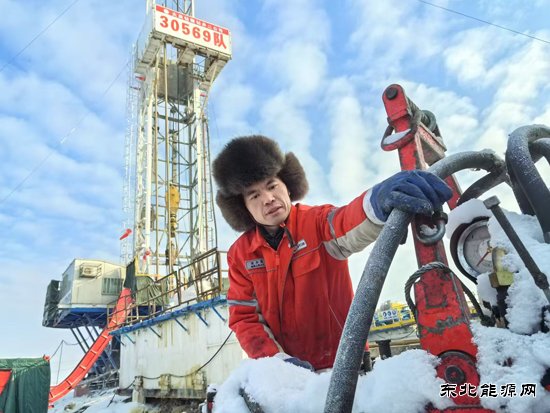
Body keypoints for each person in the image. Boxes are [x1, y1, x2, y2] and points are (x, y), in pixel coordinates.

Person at [212, 135, 452, 371]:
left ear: (287, 186)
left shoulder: (317, 222)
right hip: (288, 376)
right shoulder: (240, 255)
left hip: (345, 368)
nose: (268, 199)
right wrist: (278, 363)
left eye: (272, 186)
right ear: (243, 208)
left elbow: (348, 220)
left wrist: (377, 201)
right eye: (254, 195)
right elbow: (244, 317)